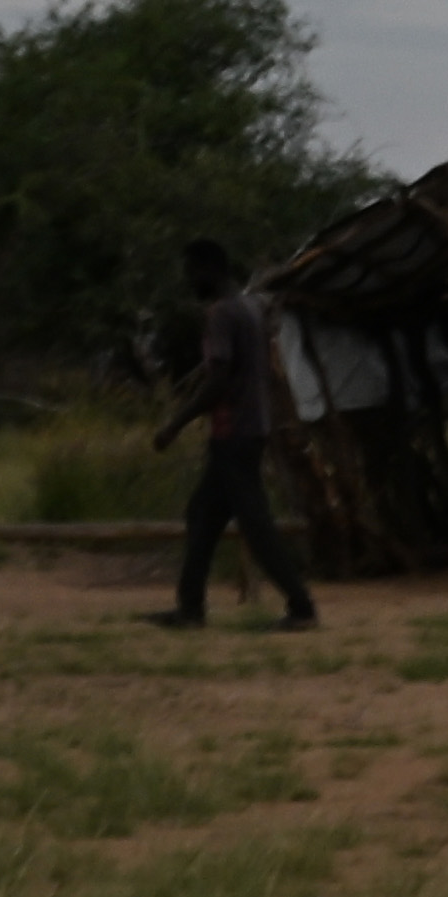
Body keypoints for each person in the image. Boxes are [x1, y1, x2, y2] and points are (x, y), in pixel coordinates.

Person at [144, 240, 318, 632]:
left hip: (233, 433)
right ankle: (190, 608)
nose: (189, 280)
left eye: (191, 271)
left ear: (208, 269)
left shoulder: (221, 314)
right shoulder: (252, 308)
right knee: (202, 515)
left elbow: (218, 381)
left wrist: (175, 424)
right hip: (250, 429)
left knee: (256, 524)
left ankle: (302, 606)